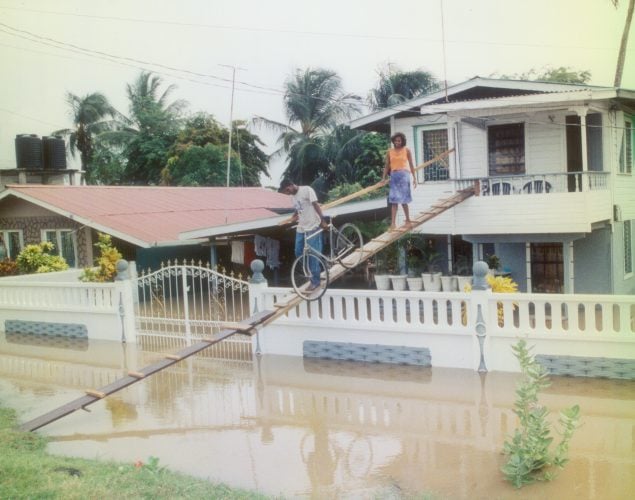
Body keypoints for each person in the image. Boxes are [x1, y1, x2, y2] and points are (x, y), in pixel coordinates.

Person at [279, 179, 328, 291]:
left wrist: (323, 220)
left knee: (313, 254)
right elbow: (298, 208)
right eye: (286, 192)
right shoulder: (293, 197)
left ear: (291, 185)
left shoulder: (307, 190)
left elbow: (316, 205)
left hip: (313, 226)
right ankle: (312, 271)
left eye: (287, 190)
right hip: (301, 227)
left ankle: (315, 281)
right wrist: (293, 217)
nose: (288, 193)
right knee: (298, 252)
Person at [382, 132, 417, 230]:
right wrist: (383, 178)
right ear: (393, 141)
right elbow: (386, 166)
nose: (397, 142)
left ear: (402, 141)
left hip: (404, 176)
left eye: (399, 141)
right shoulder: (389, 151)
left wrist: (414, 178)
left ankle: (408, 220)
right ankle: (393, 224)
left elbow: (411, 165)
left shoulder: (407, 150)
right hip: (394, 176)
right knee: (394, 200)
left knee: (403, 200)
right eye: (396, 140)